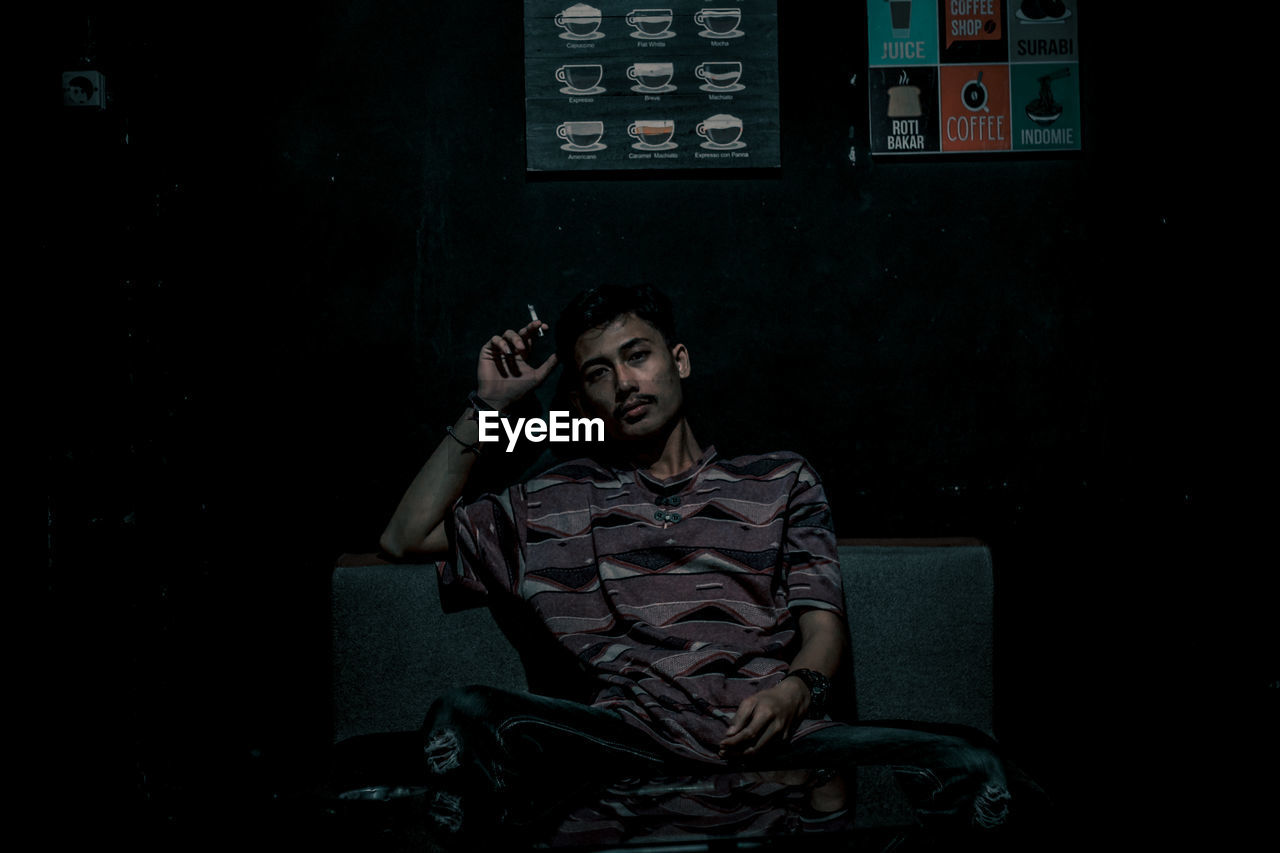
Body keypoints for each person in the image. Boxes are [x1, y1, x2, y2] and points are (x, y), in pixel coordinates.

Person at [379, 285, 1016, 843]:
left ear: (678, 361)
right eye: (599, 372)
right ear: (583, 400)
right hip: (623, 746)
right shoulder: (554, 497)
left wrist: (795, 693)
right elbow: (404, 537)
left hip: (775, 736)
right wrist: (490, 407)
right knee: (464, 715)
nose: (625, 383)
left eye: (638, 355)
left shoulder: (779, 479)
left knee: (970, 762)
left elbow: (823, 629)